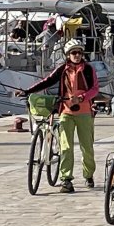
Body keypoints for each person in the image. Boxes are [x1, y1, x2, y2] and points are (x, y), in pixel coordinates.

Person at [20, 39, 99, 193]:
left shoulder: (88, 69)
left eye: (79, 53)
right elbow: (47, 81)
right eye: (73, 53)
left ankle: (88, 174)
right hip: (65, 111)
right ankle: (66, 179)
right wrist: (27, 91)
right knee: (66, 147)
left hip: (84, 112)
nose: (77, 55)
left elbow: (95, 89)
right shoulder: (62, 69)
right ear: (67, 55)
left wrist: (82, 97)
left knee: (87, 147)